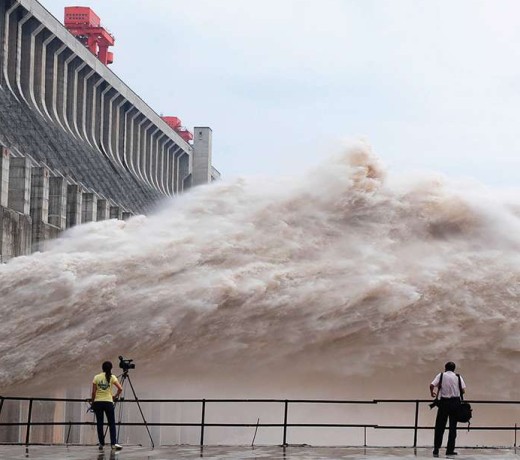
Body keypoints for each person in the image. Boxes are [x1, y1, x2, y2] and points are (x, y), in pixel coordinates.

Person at [430, 361, 466, 457]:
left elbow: (432, 385)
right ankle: (450, 450)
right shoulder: (458, 377)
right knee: (453, 428)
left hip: (444, 403)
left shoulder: (441, 375)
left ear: (445, 368)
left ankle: (436, 448)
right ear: (454, 369)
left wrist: (432, 393)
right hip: (455, 403)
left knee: (439, 426)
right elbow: (463, 390)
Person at [91, 361, 124, 451]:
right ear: (111, 368)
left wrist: (93, 402)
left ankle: (101, 443)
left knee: (100, 423)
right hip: (108, 402)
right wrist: (114, 396)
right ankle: (113, 444)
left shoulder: (96, 377)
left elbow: (93, 392)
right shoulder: (112, 377)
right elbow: (120, 388)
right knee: (111, 423)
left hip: (98, 402)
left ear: (102, 368)